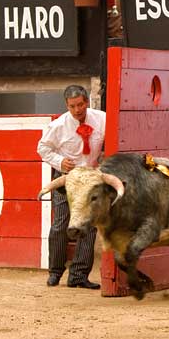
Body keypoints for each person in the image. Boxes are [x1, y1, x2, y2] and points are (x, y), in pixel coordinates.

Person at [37, 84, 105, 289]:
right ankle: (55, 271)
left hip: (90, 177)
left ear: (87, 101)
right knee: (61, 223)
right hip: (67, 178)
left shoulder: (102, 118)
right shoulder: (58, 126)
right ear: (67, 105)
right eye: (72, 106)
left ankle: (79, 275)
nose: (77, 110)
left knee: (89, 225)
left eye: (81, 104)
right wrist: (59, 162)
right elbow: (42, 148)